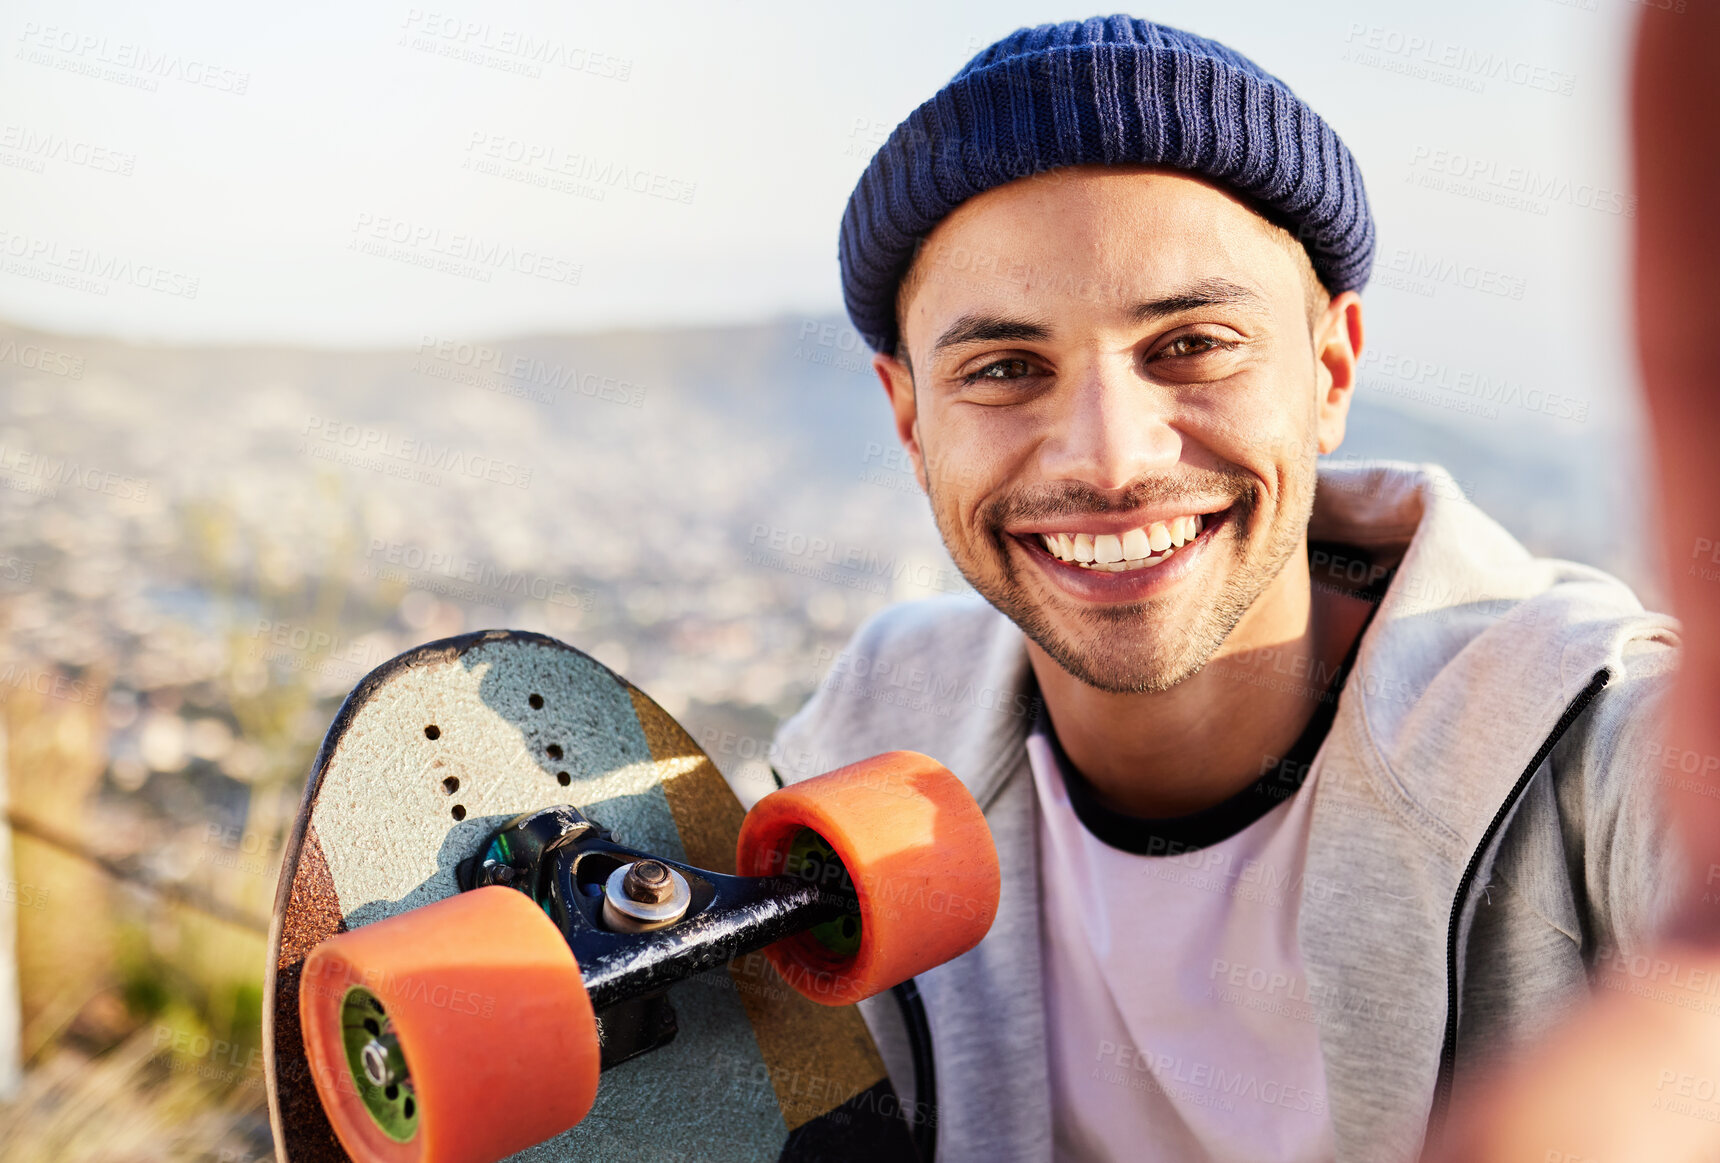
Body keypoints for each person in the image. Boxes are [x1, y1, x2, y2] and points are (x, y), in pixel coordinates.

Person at [768, 15, 1685, 1162]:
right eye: (1004, 369)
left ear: (1330, 370)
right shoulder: (871, 733)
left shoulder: (1590, 732)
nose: (1105, 458)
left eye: (1191, 345)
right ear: (910, 419)